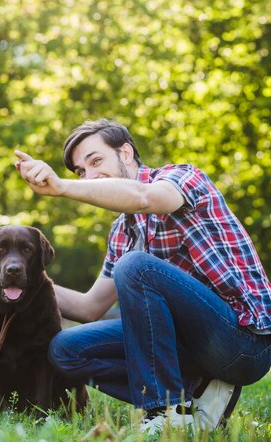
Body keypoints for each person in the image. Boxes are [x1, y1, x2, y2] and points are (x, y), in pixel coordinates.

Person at [14, 119, 271, 434]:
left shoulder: (181, 178)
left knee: (136, 265)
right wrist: (15, 283)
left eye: (96, 161)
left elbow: (145, 199)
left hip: (243, 342)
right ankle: (197, 394)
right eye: (80, 172)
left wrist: (63, 187)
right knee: (66, 349)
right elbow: (88, 308)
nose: (89, 177)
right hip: (189, 348)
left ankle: (164, 412)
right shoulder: (122, 230)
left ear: (125, 152)